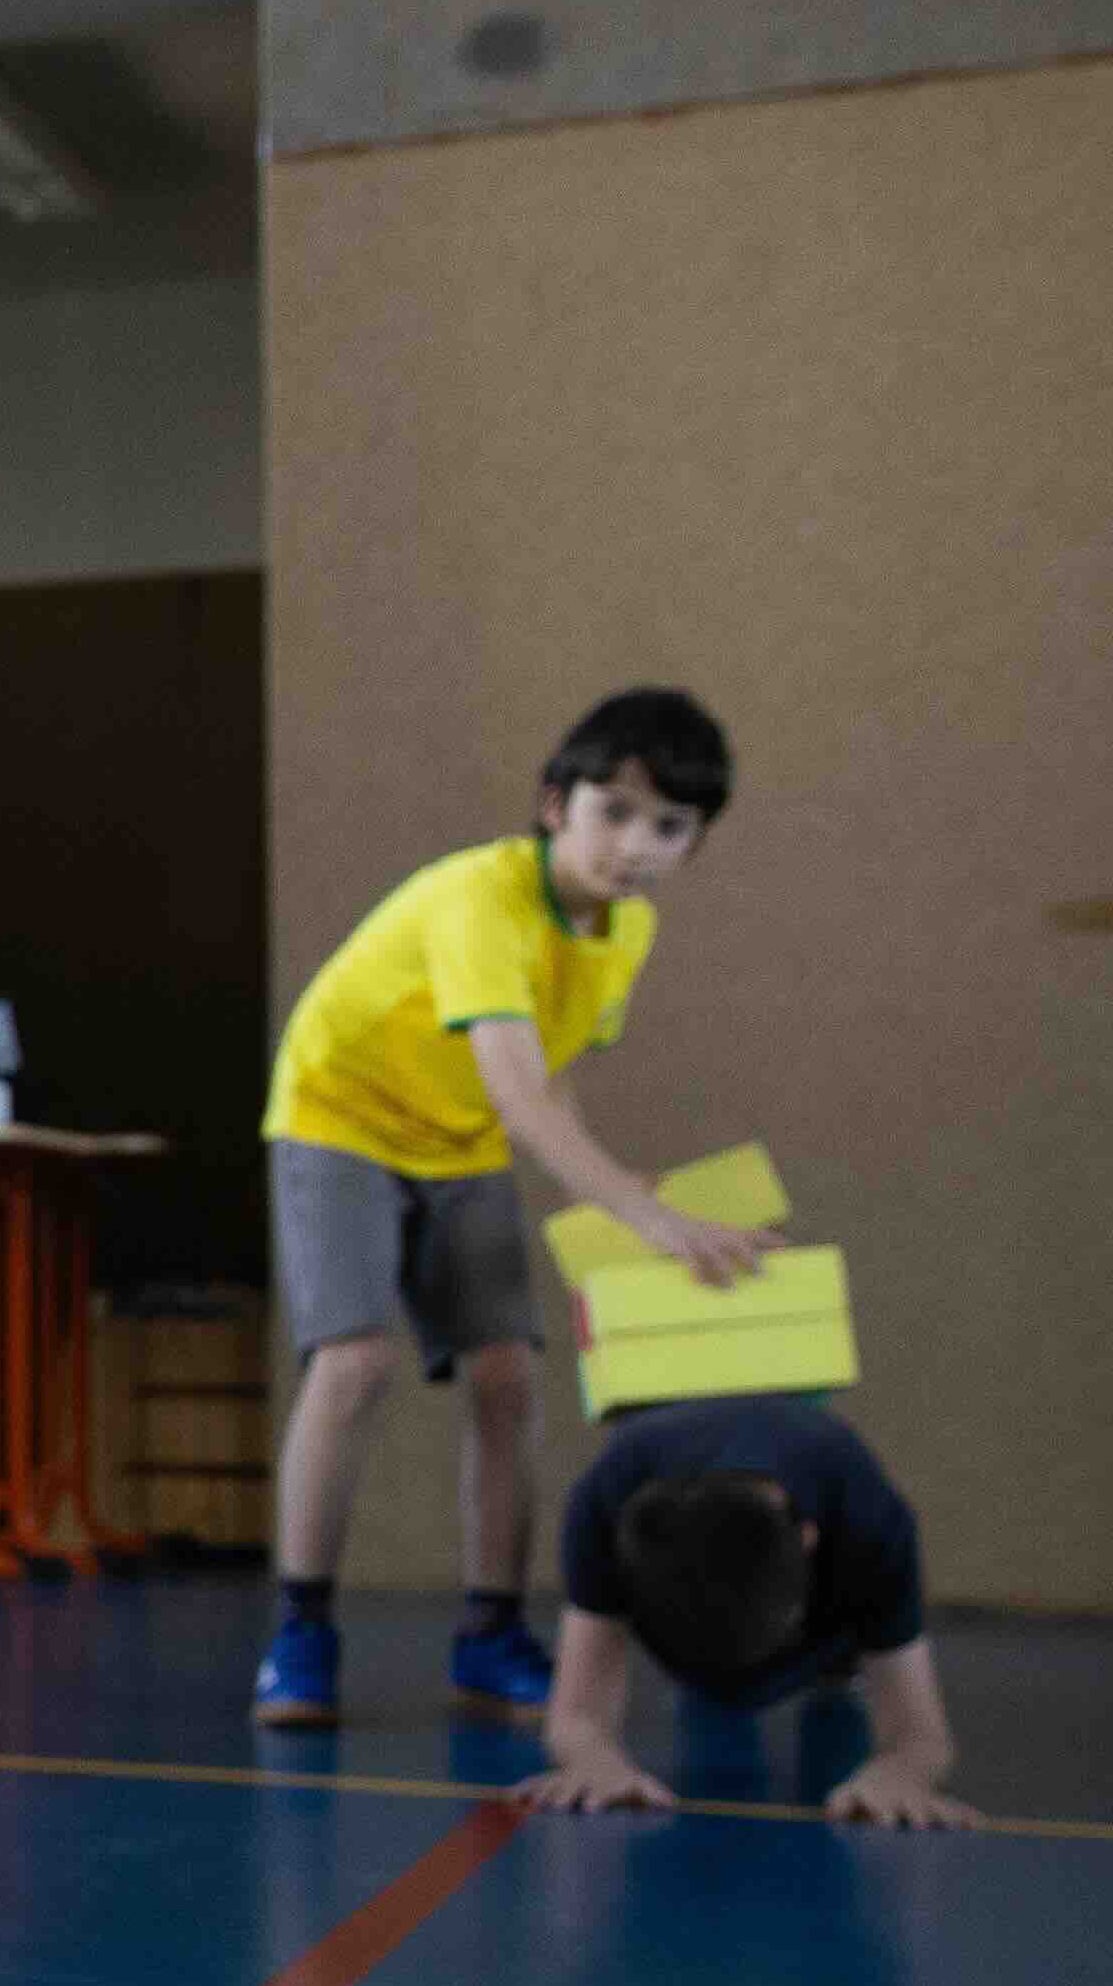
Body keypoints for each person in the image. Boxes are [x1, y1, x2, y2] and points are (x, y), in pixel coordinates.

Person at [252, 689, 774, 1729]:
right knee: (353, 1363)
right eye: (612, 811)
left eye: (668, 826)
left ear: (695, 843)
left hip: (460, 1136)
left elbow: (550, 1069)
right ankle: (300, 1631)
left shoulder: (626, 931)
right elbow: (520, 1093)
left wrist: (614, 1195)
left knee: (508, 1376)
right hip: (339, 1115)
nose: (634, 845)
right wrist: (642, 1216)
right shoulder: (482, 900)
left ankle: (489, 1638)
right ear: (552, 803)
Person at [514, 1394, 977, 1827]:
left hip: (829, 1612)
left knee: (841, 1667)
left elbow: (922, 1735)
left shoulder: (868, 1515)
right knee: (708, 1703)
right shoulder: (604, 1503)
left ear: (809, 1539)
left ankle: (835, 1663)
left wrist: (900, 1773)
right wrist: (592, 1760)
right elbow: (574, 1715)